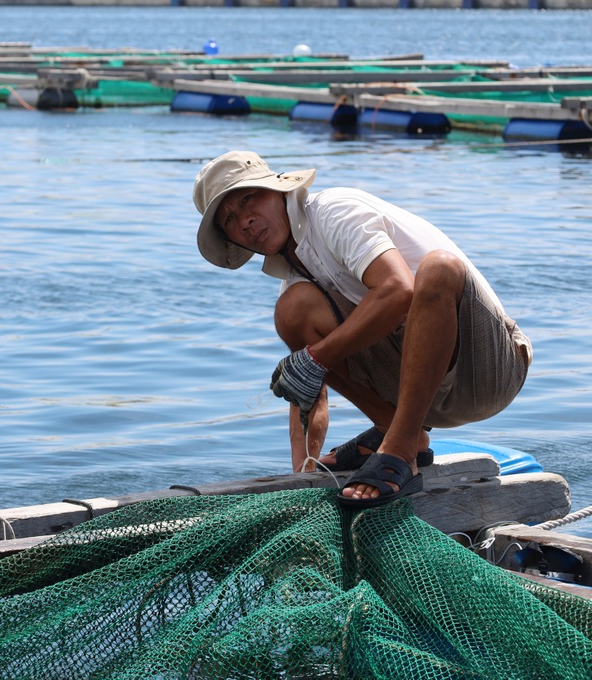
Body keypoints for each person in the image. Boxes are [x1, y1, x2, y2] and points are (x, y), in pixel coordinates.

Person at [192, 151, 532, 508]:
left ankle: (399, 451)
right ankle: (400, 431)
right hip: (422, 392)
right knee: (293, 312)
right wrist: (302, 472)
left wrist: (316, 358)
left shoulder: (333, 211)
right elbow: (310, 392)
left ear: (278, 192)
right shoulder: (294, 278)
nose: (245, 220)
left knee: (439, 268)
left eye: (249, 198)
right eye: (229, 219)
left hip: (490, 373)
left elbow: (398, 289)